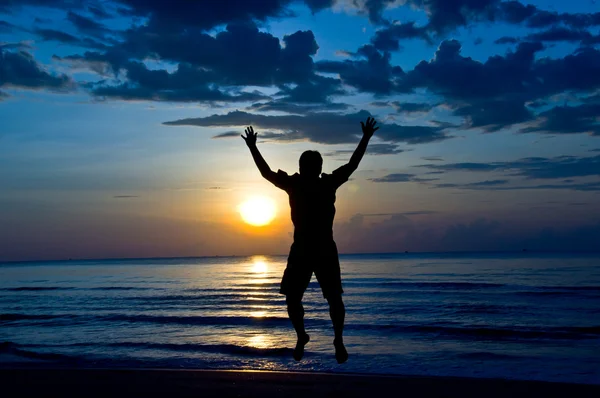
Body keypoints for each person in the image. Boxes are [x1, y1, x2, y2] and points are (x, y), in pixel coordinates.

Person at [241, 117, 378, 364]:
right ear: (307, 167)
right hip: (308, 248)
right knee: (299, 298)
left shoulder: (320, 183)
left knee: (327, 297)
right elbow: (352, 164)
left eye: (311, 165)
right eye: (310, 165)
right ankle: (306, 336)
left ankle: (335, 339)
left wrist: (253, 147)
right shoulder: (305, 184)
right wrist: (365, 137)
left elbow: (352, 165)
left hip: (318, 248)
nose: (310, 168)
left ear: (312, 167)